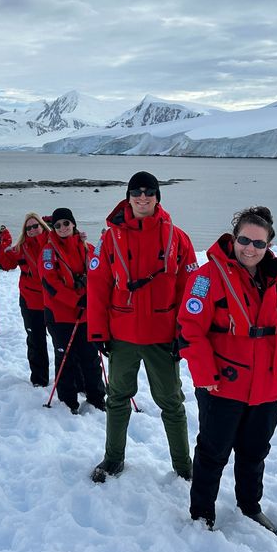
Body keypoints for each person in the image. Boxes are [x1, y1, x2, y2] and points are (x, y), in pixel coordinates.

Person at [177, 206, 277, 534]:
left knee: (254, 454)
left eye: (258, 243)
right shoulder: (206, 279)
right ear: (233, 237)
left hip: (267, 389)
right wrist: (205, 375)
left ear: (269, 245)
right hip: (223, 387)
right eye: (244, 240)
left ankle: (250, 506)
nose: (250, 248)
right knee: (213, 454)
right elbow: (189, 329)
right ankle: (201, 515)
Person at [88, 171, 198, 483]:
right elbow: (98, 285)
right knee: (118, 398)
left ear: (157, 196)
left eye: (149, 191)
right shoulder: (110, 238)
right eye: (136, 191)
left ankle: (183, 466)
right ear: (128, 196)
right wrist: (98, 332)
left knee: (172, 403)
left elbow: (189, 288)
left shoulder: (178, 237)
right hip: (122, 335)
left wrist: (184, 332)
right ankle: (113, 459)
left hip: (163, 336)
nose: (142, 196)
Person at [42, 207, 105, 414]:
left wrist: (92, 298)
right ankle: (68, 400)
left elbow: (101, 273)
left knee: (91, 358)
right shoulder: (48, 252)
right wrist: (78, 300)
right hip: (60, 316)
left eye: (66, 223)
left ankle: (97, 397)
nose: (62, 228)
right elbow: (51, 284)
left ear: (73, 224)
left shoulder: (87, 247)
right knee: (66, 359)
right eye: (58, 225)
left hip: (86, 314)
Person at [0, 213, 52, 387]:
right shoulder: (21, 247)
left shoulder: (53, 242)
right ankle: (39, 380)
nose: (32, 230)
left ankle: (75, 381)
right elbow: (4, 263)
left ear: (42, 226)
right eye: (28, 228)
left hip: (55, 300)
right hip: (30, 300)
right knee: (35, 341)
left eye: (35, 226)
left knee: (63, 342)